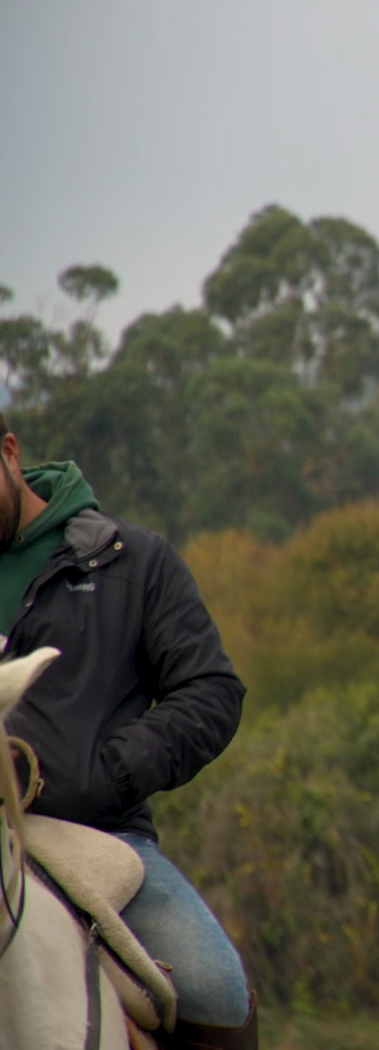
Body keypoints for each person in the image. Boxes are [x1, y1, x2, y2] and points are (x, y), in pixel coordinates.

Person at [0, 417, 255, 1049]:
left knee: (219, 992)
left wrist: (107, 772)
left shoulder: (133, 560)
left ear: (9, 453)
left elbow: (211, 691)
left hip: (97, 836)